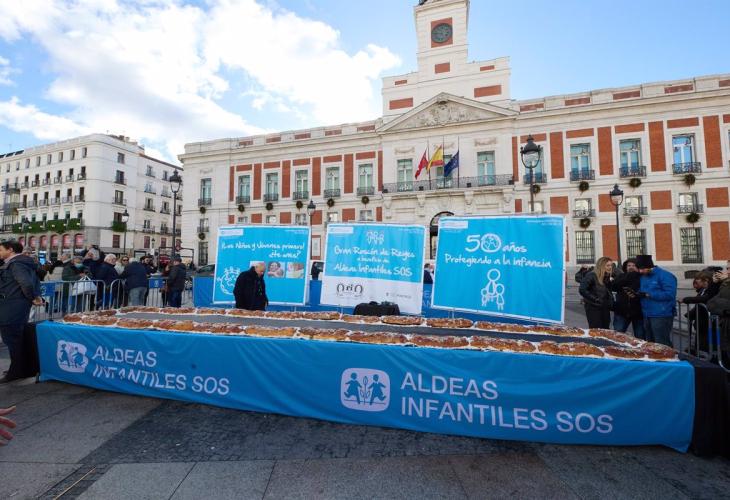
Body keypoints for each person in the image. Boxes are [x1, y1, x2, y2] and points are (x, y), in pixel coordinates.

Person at [0, 241, 43, 383]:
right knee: (16, 338)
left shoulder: (16, 264)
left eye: (1, 250)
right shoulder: (22, 262)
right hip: (15, 306)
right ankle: (21, 368)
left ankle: (16, 372)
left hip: (12, 307)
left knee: (13, 339)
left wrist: (32, 297)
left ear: (10, 250)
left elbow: (26, 283)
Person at [636, 254, 677, 347]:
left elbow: (670, 294)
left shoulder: (665, 276)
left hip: (661, 314)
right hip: (647, 314)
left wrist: (648, 294)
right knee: (651, 343)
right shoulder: (644, 276)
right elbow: (643, 290)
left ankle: (669, 356)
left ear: (649, 266)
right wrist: (637, 294)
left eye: (642, 269)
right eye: (639, 269)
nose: (640, 271)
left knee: (661, 342)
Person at [610, 258, 644, 339]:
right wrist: (628, 276)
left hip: (639, 312)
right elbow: (613, 287)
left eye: (633, 265)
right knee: (618, 335)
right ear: (625, 267)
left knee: (640, 336)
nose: (631, 267)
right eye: (629, 265)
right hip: (621, 311)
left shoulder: (642, 277)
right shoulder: (621, 276)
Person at [578, 257, 615, 329]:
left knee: (605, 329)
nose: (610, 267)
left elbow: (607, 292)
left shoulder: (606, 276)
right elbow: (582, 289)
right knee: (596, 330)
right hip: (593, 307)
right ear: (601, 266)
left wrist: (610, 302)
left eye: (611, 265)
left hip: (605, 307)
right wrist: (595, 299)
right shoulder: (591, 275)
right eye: (607, 265)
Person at [682, 273, 714, 354]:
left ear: (706, 280)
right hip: (699, 322)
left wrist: (686, 299)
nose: (696, 281)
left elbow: (703, 299)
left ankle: (705, 355)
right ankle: (698, 353)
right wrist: (690, 314)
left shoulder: (711, 289)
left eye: (698, 279)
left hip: (707, 322)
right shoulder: (702, 290)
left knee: (706, 342)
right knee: (699, 340)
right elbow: (698, 305)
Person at [707, 272, 730, 366]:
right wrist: (714, 283)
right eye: (727, 268)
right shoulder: (725, 284)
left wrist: (720, 305)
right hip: (725, 324)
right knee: (725, 353)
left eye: (729, 268)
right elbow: (710, 303)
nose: (727, 271)